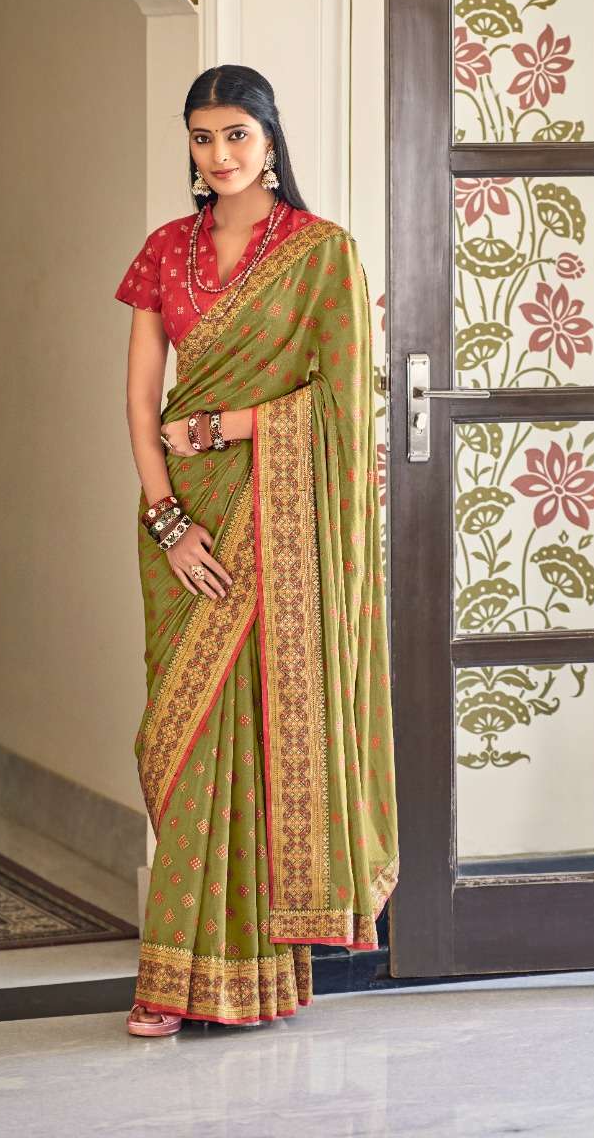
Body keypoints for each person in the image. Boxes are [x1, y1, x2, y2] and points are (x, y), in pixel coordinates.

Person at [114, 65, 398, 1035]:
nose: (219, 154)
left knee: (257, 743)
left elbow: (345, 405)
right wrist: (168, 519)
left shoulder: (322, 253)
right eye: (202, 136)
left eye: (236, 134)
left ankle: (198, 983)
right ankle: (192, 972)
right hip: (188, 523)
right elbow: (141, 405)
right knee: (187, 742)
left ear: (270, 141)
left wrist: (229, 424)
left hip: (280, 521)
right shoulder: (165, 250)